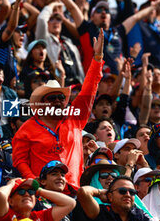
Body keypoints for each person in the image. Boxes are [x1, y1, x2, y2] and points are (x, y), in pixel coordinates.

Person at [12, 28, 105, 190]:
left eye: (61, 98)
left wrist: (97, 59)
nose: (57, 101)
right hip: (44, 194)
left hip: (74, 191)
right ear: (42, 103)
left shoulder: (75, 118)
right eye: (52, 98)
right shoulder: (27, 129)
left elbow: (89, 89)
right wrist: (33, 180)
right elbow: (19, 160)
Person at [0, 178, 76, 221]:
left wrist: (39, 190)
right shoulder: (6, 215)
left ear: (35, 201)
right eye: (21, 191)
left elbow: (70, 203)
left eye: (31, 191)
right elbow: (0, 194)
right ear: (10, 201)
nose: (27, 194)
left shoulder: (39, 217)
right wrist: (11, 184)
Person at [75, 175, 151, 221]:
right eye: (122, 191)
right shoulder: (101, 213)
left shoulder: (139, 215)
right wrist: (100, 192)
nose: (128, 195)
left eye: (132, 192)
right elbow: (83, 192)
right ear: (110, 196)